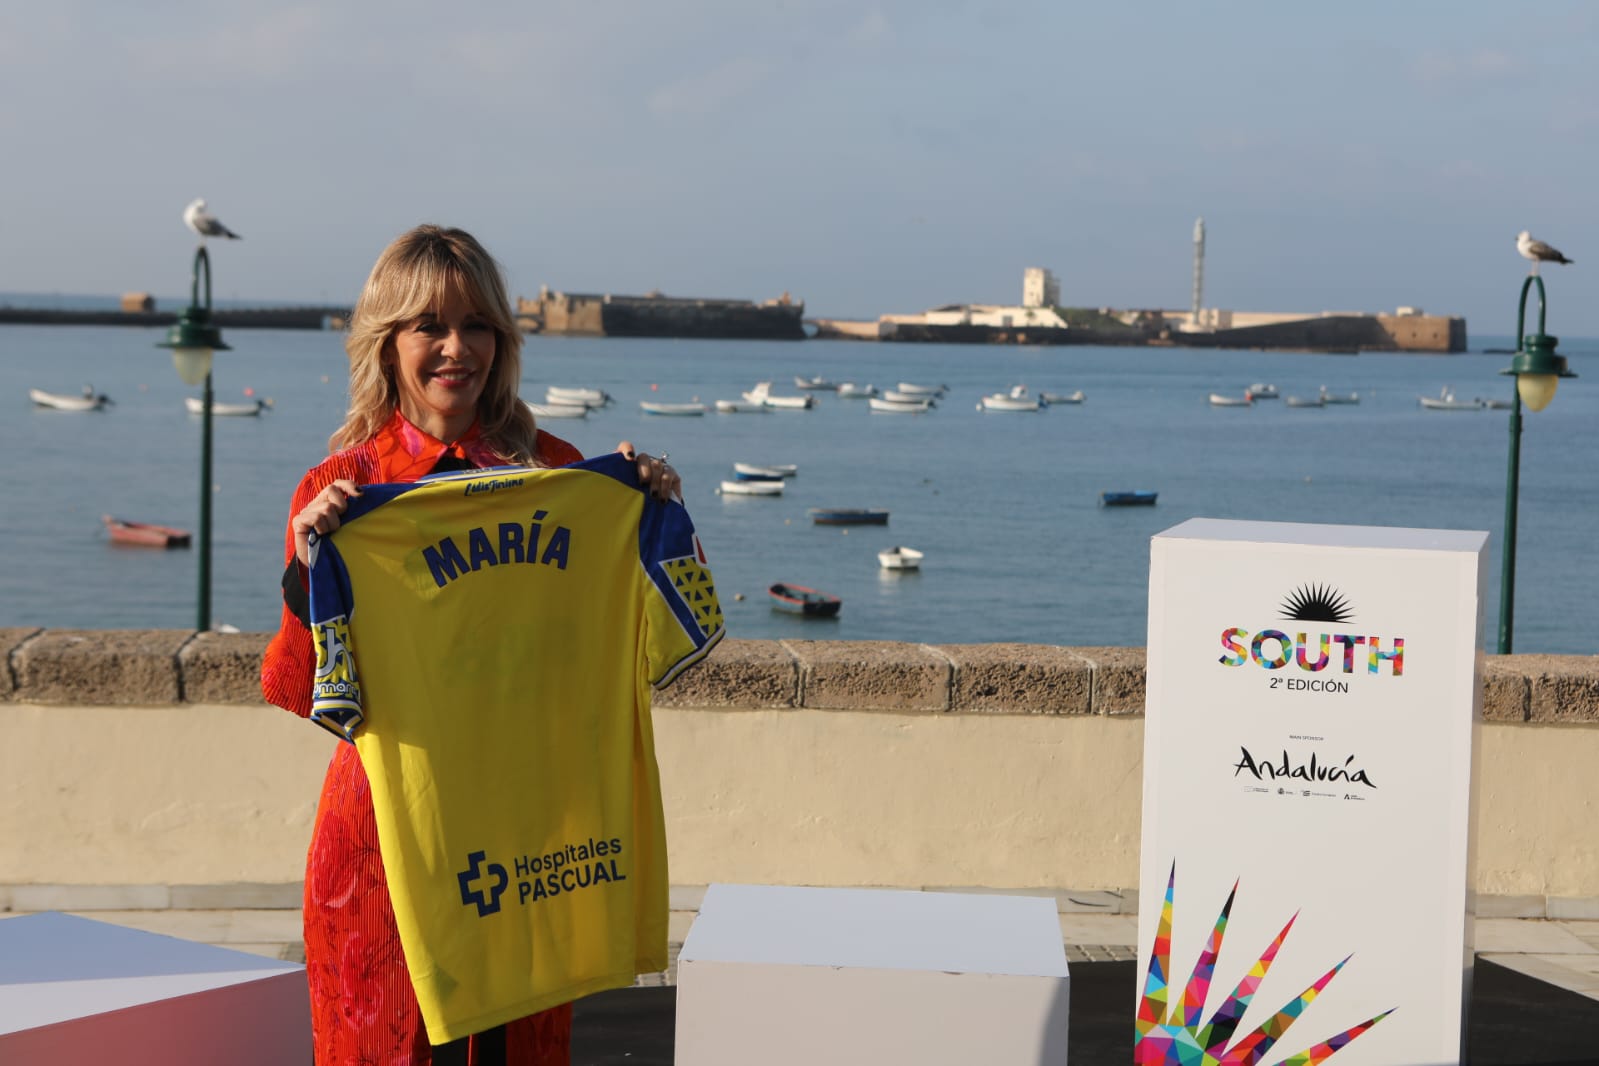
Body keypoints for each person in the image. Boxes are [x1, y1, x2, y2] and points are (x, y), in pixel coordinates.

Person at [261, 224, 682, 1065]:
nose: (458, 349)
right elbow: (301, 688)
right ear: (388, 343)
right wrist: (310, 570)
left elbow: (634, 648)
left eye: (478, 326)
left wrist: (647, 520)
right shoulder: (339, 491)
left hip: (525, 840)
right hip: (387, 837)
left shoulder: (563, 474)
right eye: (430, 326)